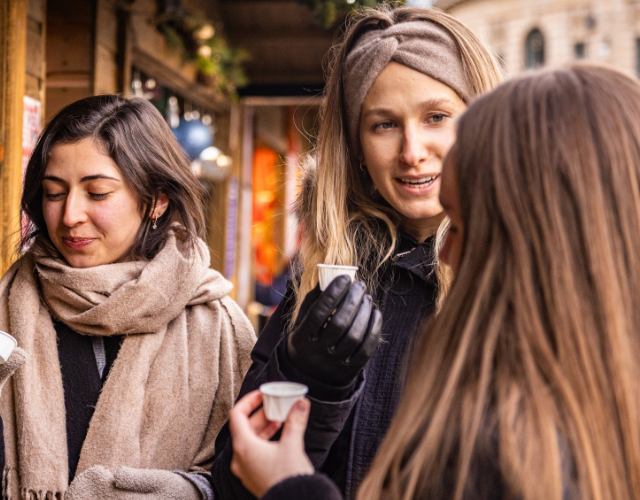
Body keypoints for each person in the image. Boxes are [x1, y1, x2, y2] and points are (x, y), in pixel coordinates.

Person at [228, 64, 640, 500]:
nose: (441, 254)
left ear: (537, 234)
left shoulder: (511, 419)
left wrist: (292, 490)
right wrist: (304, 371)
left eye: (459, 227)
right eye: (383, 124)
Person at [212, 5, 503, 500]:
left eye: (436, 117)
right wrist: (308, 377)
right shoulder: (324, 281)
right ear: (357, 151)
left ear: (484, 123)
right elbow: (234, 483)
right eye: (384, 125)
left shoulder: (522, 279)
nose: (412, 150)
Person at [0, 95, 256, 500]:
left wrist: (188, 492)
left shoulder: (220, 329)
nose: (70, 214)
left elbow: (253, 482)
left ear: (157, 200)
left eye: (97, 193)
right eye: (55, 193)